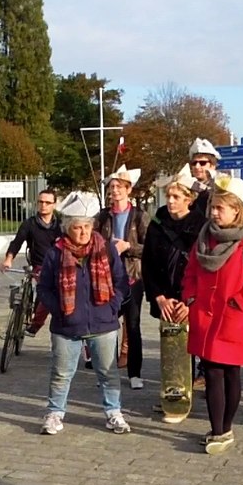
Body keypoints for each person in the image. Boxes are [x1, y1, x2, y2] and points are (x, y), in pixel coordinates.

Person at [180, 176, 243, 453]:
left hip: (232, 318)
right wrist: (191, 297)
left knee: (229, 372)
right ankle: (218, 429)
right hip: (205, 316)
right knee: (211, 372)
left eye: (220, 208)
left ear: (237, 211)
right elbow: (191, 273)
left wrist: (238, 304)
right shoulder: (203, 239)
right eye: (212, 207)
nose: (213, 213)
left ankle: (224, 428)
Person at [37, 191, 132, 436]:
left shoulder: (106, 249)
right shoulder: (55, 253)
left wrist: (113, 306)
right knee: (61, 373)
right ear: (68, 228)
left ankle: (114, 412)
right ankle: (55, 412)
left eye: (87, 227)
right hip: (67, 324)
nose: (83, 232)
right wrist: (58, 310)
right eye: (78, 227)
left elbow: (121, 281)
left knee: (108, 372)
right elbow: (44, 287)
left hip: (103, 322)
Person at [141, 165, 204, 413]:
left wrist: (189, 301)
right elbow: (148, 263)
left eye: (176, 197)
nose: (170, 201)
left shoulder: (201, 225)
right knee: (172, 348)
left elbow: (204, 267)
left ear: (188, 199)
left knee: (195, 347)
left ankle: (193, 390)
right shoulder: (158, 222)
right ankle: (173, 393)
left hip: (191, 298)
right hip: (164, 296)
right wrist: (159, 297)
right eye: (168, 196)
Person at [94, 166, 149, 389]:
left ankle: (134, 373)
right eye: (111, 186)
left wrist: (130, 246)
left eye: (119, 186)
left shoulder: (140, 216)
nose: (114, 190)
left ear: (129, 190)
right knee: (106, 327)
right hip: (108, 279)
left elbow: (150, 247)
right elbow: (92, 242)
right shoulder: (102, 216)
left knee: (133, 326)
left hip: (133, 277)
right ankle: (107, 373)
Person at [1, 188, 61, 336]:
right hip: (38, 266)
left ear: (54, 204)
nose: (44, 205)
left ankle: (37, 323)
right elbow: (17, 242)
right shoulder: (30, 224)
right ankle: (32, 322)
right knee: (45, 290)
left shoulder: (60, 226)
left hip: (57, 267)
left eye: (48, 202)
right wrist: (8, 259)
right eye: (40, 202)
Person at [188, 138, 222, 220]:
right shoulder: (186, 187)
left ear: (213, 165)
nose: (197, 166)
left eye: (202, 163)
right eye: (194, 163)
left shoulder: (220, 188)